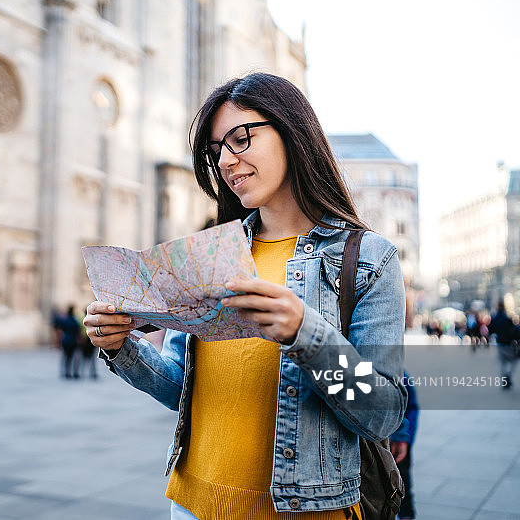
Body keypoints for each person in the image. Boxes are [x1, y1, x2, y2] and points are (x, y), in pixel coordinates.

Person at [83, 73, 407, 519]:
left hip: (305, 510)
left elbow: (382, 413)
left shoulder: (369, 258)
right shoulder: (211, 253)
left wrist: (305, 334)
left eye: (240, 139)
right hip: (192, 502)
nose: (227, 162)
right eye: (216, 152)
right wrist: (122, 348)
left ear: (291, 131)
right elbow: (183, 386)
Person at [390, 372, 419, 520]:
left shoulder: (401, 376)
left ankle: (406, 515)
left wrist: (405, 438)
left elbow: (411, 408)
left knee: (404, 485)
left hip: (399, 443)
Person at [488, 300, 518, 389]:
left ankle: (504, 379)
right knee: (513, 360)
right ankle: (508, 375)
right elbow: (514, 331)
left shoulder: (494, 318)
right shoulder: (507, 318)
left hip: (500, 343)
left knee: (503, 362)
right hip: (508, 343)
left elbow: (491, 330)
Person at [55, 305, 81, 379]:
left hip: (66, 340)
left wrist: (58, 341)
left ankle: (67, 372)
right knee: (74, 357)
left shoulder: (65, 320)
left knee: (66, 357)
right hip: (73, 341)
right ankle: (75, 372)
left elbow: (60, 331)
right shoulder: (75, 321)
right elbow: (78, 332)